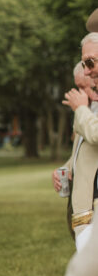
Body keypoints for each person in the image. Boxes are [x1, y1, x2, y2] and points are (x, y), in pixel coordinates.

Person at [53, 55, 98, 250]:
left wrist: (80, 109)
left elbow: (96, 135)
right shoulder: (87, 111)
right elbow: (82, 152)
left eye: (84, 86)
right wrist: (65, 168)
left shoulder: (85, 112)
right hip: (82, 211)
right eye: (78, 87)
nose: (81, 93)